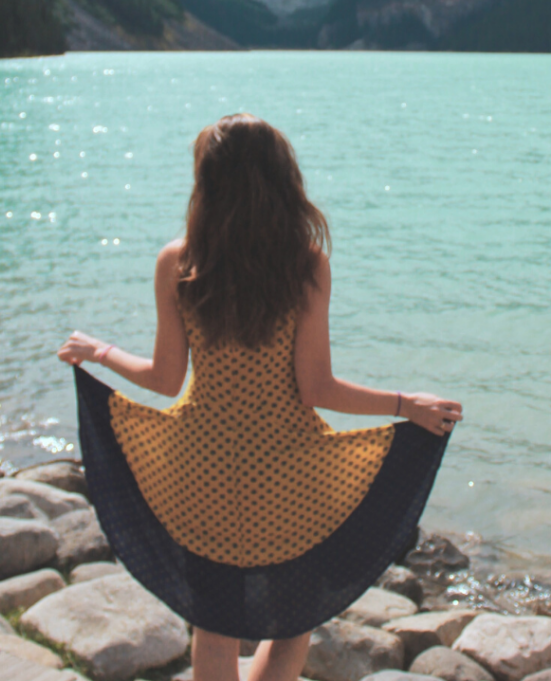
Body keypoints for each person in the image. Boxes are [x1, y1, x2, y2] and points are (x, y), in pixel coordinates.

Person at [58, 114, 462, 681]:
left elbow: (164, 379)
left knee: (214, 626)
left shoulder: (179, 263)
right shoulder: (305, 268)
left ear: (209, 184)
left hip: (200, 470)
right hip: (290, 474)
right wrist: (406, 405)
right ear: (282, 182)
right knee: (293, 621)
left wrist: (101, 353)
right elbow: (317, 388)